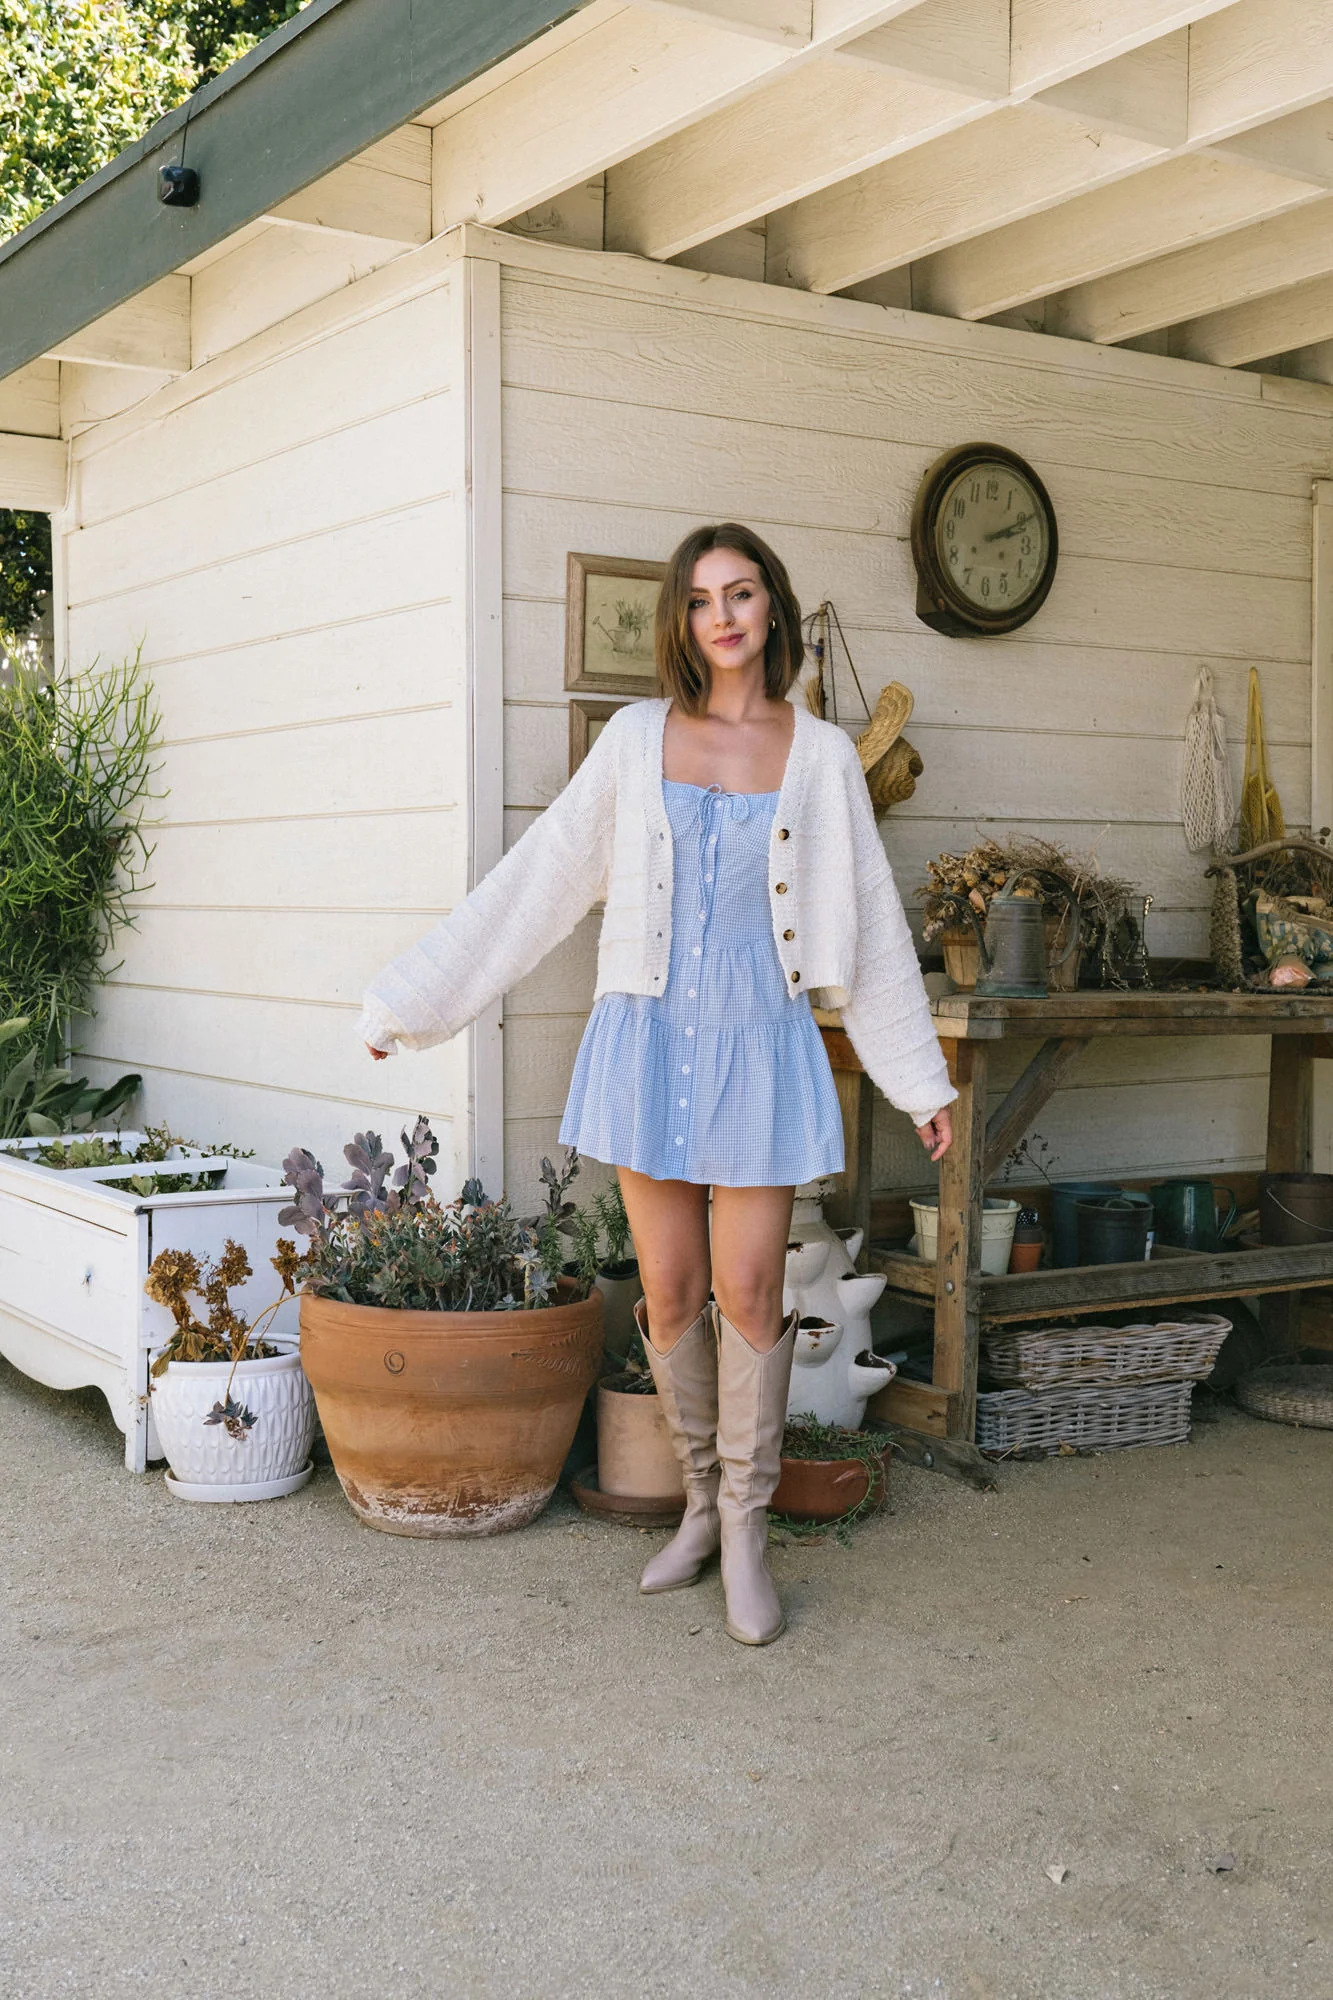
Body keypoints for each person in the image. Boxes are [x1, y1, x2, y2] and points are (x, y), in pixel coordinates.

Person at [359, 522, 954, 1646]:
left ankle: (747, 1529)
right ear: (682, 619)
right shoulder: (637, 740)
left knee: (751, 1291)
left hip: (761, 1044)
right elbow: (538, 880)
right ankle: (696, 1508)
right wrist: (413, 1002)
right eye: (700, 599)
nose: (722, 615)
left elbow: (872, 925)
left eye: (741, 593)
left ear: (771, 608)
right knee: (671, 1291)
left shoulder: (823, 756)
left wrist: (920, 1080)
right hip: (649, 1041)